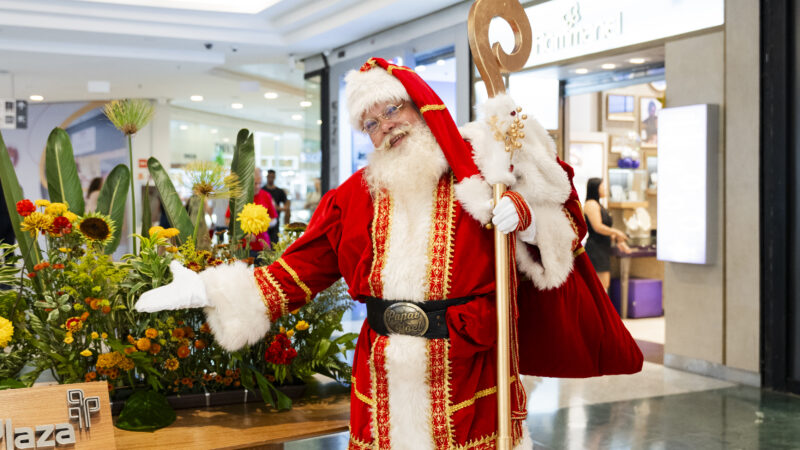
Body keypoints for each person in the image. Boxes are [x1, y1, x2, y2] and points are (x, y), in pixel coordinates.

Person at [136, 58, 642, 449]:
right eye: (371, 123)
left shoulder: (483, 175)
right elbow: (298, 271)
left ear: (419, 106)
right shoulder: (352, 197)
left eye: (392, 109)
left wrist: (524, 215)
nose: (386, 127)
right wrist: (207, 287)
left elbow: (567, 226)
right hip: (382, 372)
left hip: (468, 365)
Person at [583, 178, 631, 291]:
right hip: (595, 249)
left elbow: (606, 229)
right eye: (602, 187)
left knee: (604, 284)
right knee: (599, 286)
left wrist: (618, 239)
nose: (605, 189)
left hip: (603, 248)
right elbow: (598, 227)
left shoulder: (600, 205)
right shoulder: (591, 204)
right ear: (595, 188)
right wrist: (616, 231)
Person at [225, 168, 278, 261]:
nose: (258, 186)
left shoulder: (266, 195)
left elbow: (274, 219)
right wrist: (243, 232)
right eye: (255, 183)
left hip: (262, 247)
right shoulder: (238, 197)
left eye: (260, 183)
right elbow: (227, 220)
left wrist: (262, 224)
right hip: (241, 247)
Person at [263, 169, 290, 246]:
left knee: (274, 245)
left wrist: (276, 208)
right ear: (267, 177)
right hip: (263, 224)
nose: (270, 179)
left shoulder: (279, 191)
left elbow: (286, 206)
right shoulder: (262, 190)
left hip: (275, 223)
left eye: (272, 177)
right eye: (269, 177)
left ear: (274, 177)